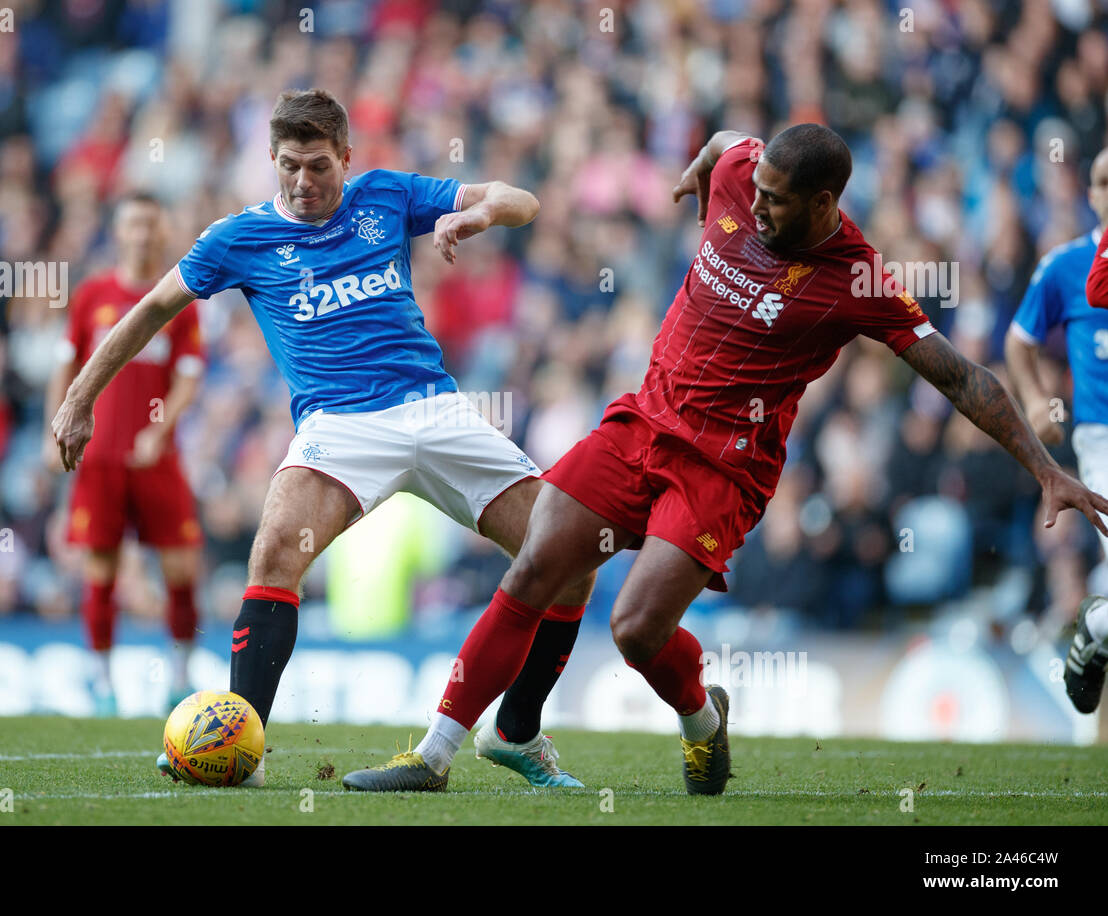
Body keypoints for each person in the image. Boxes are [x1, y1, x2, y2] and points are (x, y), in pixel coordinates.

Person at [343, 125, 1108, 794]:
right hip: (640, 421)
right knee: (535, 564)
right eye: (759, 188)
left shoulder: (857, 276)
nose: (759, 204)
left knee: (637, 629)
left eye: (778, 199)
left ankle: (704, 721)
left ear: (823, 202)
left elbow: (960, 375)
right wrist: (697, 170)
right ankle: (436, 754)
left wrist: (1045, 468)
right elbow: (724, 144)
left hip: (723, 466)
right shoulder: (742, 169)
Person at [51, 89, 594, 788]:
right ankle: (235, 745)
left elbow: (522, 199)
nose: (303, 183)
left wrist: (484, 210)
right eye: (288, 166)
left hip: (434, 410)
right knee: (275, 550)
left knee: (572, 555)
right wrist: (79, 398)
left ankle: (517, 730)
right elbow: (152, 307)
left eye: (317, 166)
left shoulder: (388, 194)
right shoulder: (238, 238)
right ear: (271, 161)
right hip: (338, 427)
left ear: (345, 158)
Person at [45, 192, 205, 717]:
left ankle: (179, 676)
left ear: (162, 233)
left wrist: (161, 431)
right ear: (118, 231)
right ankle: (100, 681)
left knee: (181, 567)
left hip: (156, 459)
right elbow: (66, 369)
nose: (141, 233)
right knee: (101, 571)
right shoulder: (92, 296)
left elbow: (187, 376)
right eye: (132, 222)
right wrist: (57, 428)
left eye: (149, 224)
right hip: (101, 459)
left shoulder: (177, 300)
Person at [1007, 148, 1108, 714]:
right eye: (1102, 182)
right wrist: (1036, 399)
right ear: (1090, 195)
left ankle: (1097, 624)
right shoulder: (1066, 266)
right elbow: (1020, 340)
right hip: (1101, 436)